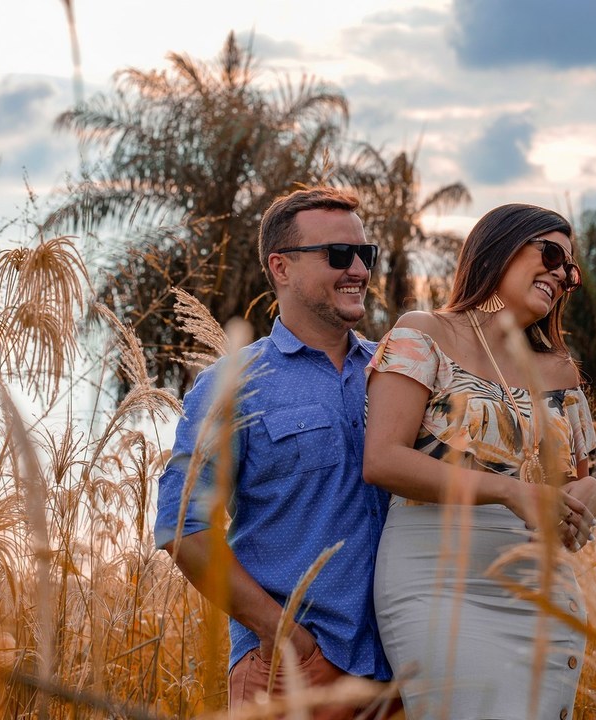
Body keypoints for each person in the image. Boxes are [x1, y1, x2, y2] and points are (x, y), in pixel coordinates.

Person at [154, 187, 394, 717]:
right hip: (292, 673)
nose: (358, 268)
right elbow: (183, 528)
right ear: (281, 267)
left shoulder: (398, 372)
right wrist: (281, 634)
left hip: (406, 671)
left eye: (365, 254)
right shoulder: (233, 385)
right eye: (338, 255)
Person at [363, 203, 596, 719]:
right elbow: (382, 460)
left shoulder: (560, 369)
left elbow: (579, 481)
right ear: (499, 245)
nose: (562, 274)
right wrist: (510, 491)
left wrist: (589, 497)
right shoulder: (424, 332)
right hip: (438, 579)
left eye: (570, 270)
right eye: (551, 253)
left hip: (539, 583)